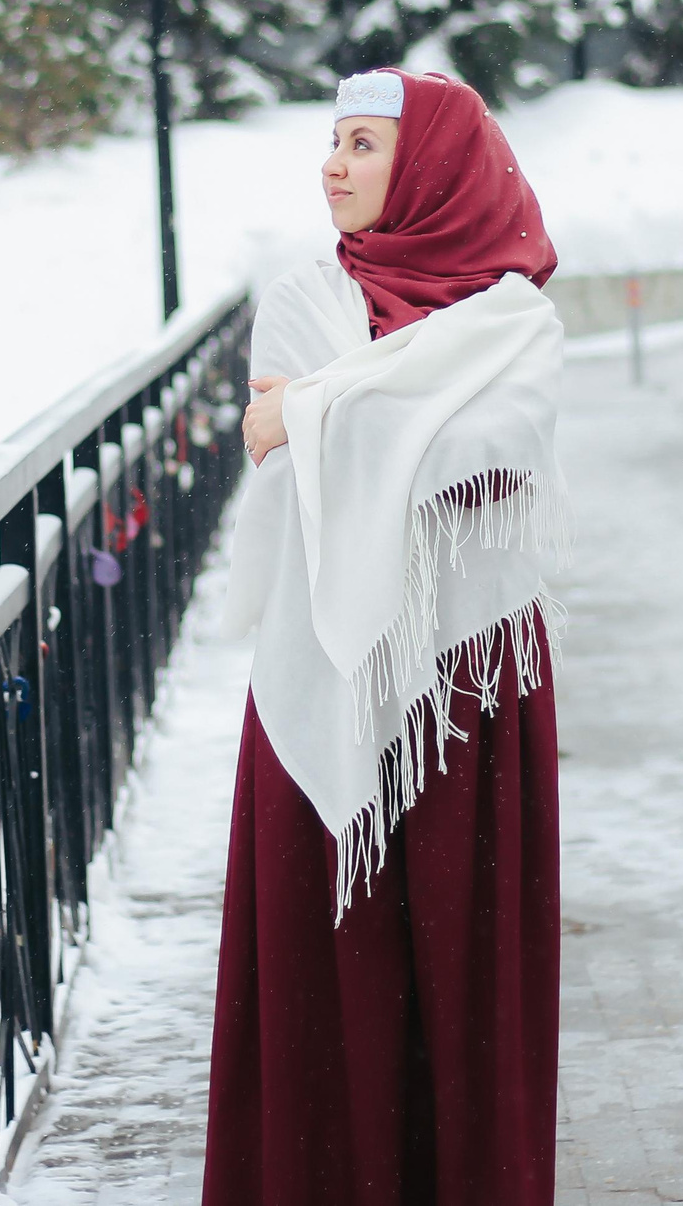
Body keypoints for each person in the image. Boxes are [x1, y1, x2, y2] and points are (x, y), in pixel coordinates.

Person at [204, 67, 567, 1206]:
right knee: (325, 969)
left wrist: (315, 409)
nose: (334, 165)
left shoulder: (512, 316)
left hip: (466, 679)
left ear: (433, 168)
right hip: (322, 663)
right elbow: (300, 476)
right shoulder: (304, 298)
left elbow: (490, 462)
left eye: (364, 144)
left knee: (467, 971)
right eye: (334, 141)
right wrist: (375, 414)